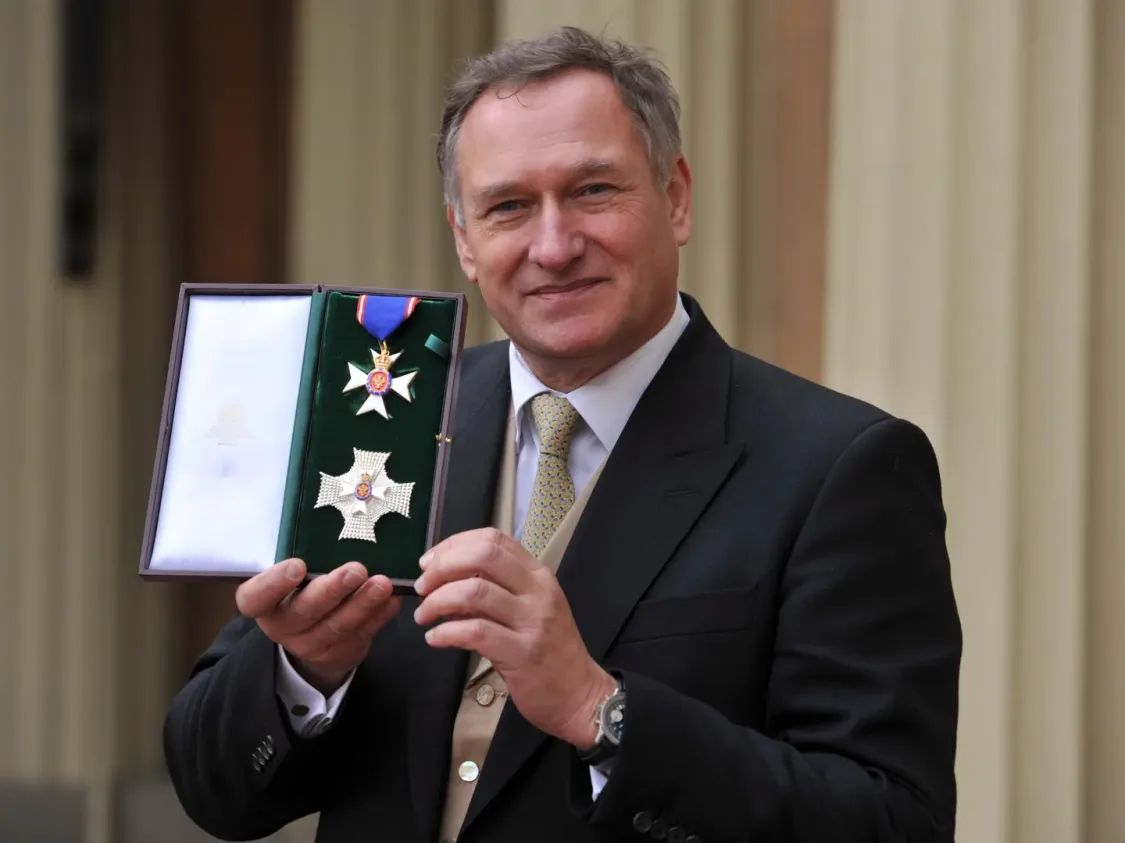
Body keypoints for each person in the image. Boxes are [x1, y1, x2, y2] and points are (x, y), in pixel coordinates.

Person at [163, 25, 961, 843]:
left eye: (593, 192)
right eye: (508, 206)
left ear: (676, 197)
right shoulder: (390, 419)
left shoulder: (839, 467)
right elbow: (214, 790)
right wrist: (303, 669)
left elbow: (891, 820)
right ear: (465, 240)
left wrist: (599, 708)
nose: (553, 245)